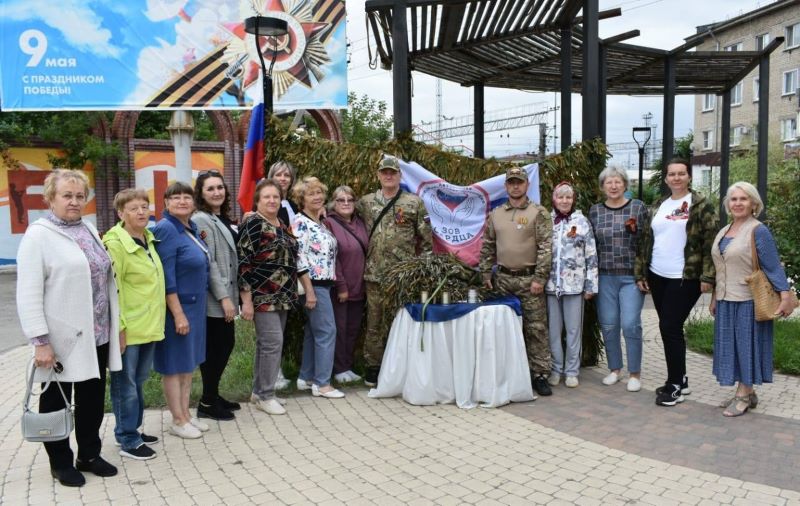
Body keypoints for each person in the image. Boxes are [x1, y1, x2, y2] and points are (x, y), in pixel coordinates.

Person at [17, 169, 122, 487]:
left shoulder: (87, 228)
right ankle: (60, 463)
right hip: (60, 339)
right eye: (67, 195)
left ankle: (89, 454)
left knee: (92, 399)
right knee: (56, 401)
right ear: (50, 198)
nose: (75, 201)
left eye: (80, 196)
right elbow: (28, 293)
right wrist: (40, 341)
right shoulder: (38, 236)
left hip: (97, 334)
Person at [635, 158, 718, 407]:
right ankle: (681, 379)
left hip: (685, 277)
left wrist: (708, 276)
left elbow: (710, 242)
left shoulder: (700, 205)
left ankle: (674, 386)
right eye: (672, 174)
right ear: (666, 178)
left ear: (689, 177)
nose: (677, 178)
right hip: (657, 275)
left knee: (669, 327)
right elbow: (646, 240)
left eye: (681, 173)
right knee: (670, 328)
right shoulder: (659, 205)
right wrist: (641, 273)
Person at [709, 182, 795, 417]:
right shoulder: (724, 231)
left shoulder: (758, 230)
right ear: (728, 204)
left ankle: (744, 395)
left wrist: (785, 297)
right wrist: (715, 297)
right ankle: (747, 391)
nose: (738, 203)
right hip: (726, 300)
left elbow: (772, 267)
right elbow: (720, 268)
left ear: (754, 204)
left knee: (746, 348)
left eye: (743, 199)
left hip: (749, 301)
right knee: (732, 348)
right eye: (734, 199)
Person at [357, 156, 432, 386]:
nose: (388, 176)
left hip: (403, 276)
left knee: (401, 321)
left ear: (400, 175)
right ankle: (374, 367)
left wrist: (422, 271)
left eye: (393, 172)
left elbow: (426, 241)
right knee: (374, 323)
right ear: (378, 175)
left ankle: (401, 367)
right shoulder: (366, 202)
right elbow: (345, 219)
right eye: (384, 172)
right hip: (374, 274)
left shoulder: (414, 203)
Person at [480, 167, 553, 397]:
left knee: (536, 329)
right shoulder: (496, 214)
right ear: (506, 186)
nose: (515, 186)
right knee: (505, 329)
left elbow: (546, 247)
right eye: (511, 182)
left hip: (529, 281)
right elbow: (487, 245)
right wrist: (485, 274)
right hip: (502, 280)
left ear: (526, 185)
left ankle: (539, 374)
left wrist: (540, 278)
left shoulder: (538, 212)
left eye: (519, 182)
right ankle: (508, 374)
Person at [104, 189, 165, 461]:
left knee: (138, 382)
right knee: (125, 385)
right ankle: (127, 438)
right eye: (133, 208)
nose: (141, 212)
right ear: (121, 213)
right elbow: (112, 288)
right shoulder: (115, 243)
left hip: (148, 326)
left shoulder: (148, 238)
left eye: (144, 206)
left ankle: (134, 430)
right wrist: (119, 328)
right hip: (128, 329)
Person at [152, 182, 210, 438]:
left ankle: (186, 414)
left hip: (194, 307)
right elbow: (166, 276)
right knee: (174, 366)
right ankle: (177, 420)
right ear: (166, 202)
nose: (182, 201)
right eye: (176, 197)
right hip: (178, 309)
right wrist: (177, 314)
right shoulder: (166, 228)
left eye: (187, 197)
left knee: (188, 365)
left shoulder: (190, 227)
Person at [239, 179, 300, 415]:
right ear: (257, 200)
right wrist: (246, 300)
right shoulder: (253, 223)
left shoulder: (281, 224)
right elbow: (243, 262)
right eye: (267, 197)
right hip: (262, 296)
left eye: (276, 196)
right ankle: (266, 395)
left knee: (267, 345)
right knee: (272, 343)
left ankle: (259, 392)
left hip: (282, 296)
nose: (272, 200)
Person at [589, 166, 648, 393]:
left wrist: (642, 274)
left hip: (631, 277)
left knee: (630, 324)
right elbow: (590, 246)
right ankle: (615, 369)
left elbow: (646, 242)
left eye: (618, 181)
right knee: (608, 324)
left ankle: (635, 373)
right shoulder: (595, 211)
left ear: (625, 184)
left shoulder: (637, 207)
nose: (613, 186)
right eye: (609, 182)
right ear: (602, 186)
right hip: (605, 276)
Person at [193, 171, 241, 421]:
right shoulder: (201, 220)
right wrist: (224, 298)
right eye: (210, 189)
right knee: (218, 348)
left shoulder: (220, 217)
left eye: (220, 187)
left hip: (227, 293)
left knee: (223, 345)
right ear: (201, 194)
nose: (216, 192)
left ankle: (212, 394)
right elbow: (209, 261)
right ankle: (207, 403)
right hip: (215, 297)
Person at [292, 177, 345, 399]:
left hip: (323, 283)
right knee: (327, 331)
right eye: (311, 193)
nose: (317, 197)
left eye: (319, 192)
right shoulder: (300, 223)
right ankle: (322, 384)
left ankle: (306, 377)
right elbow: (298, 257)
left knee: (314, 332)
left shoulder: (319, 222)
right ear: (301, 199)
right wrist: (310, 291)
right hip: (312, 284)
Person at [545, 182, 598, 389]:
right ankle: (556, 369)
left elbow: (591, 255)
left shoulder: (582, 221)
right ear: (554, 199)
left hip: (575, 286)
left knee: (574, 330)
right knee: (554, 331)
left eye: (568, 197)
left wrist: (590, 285)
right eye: (561, 197)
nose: (564, 201)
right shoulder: (547, 220)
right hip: (551, 285)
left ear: (573, 200)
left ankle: (572, 371)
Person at [325, 185, 369, 384]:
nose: (346, 203)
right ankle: (339, 369)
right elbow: (333, 257)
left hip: (359, 286)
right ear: (333, 203)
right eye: (341, 200)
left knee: (352, 328)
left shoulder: (360, 222)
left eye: (350, 200)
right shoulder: (329, 223)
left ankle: (348, 366)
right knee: (339, 329)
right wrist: (341, 285)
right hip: (340, 288)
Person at [267, 159, 298, 390]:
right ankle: (271, 376)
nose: (283, 178)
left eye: (287, 175)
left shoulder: (292, 205)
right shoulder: (267, 205)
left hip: (290, 272)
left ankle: (277, 371)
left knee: (282, 326)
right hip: (271, 273)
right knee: (271, 331)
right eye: (279, 174)